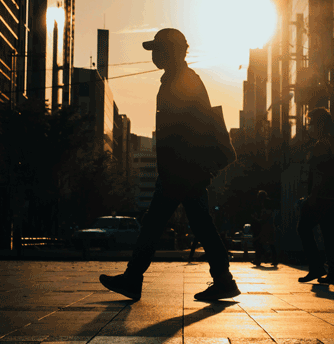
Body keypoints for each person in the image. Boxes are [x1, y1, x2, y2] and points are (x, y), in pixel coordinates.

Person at [100, 28, 240, 301]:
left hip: (182, 170)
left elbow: (191, 128)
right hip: (183, 169)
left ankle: (133, 278)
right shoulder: (179, 79)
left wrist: (185, 168)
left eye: (157, 49)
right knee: (199, 224)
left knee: (156, 223)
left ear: (173, 51)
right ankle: (223, 279)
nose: (154, 55)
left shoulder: (183, 80)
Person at [297, 107, 334, 284]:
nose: (309, 127)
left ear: (319, 124)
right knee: (328, 233)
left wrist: (313, 195)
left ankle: (317, 266)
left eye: (311, 123)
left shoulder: (321, 146)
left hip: (323, 196)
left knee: (303, 228)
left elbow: (320, 173)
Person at [251, 190, 277, 267]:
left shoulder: (265, 205)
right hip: (270, 227)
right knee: (270, 244)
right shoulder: (269, 204)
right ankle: (272, 259)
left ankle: (262, 257)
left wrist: (255, 218)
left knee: (258, 243)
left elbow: (264, 219)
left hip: (265, 227)